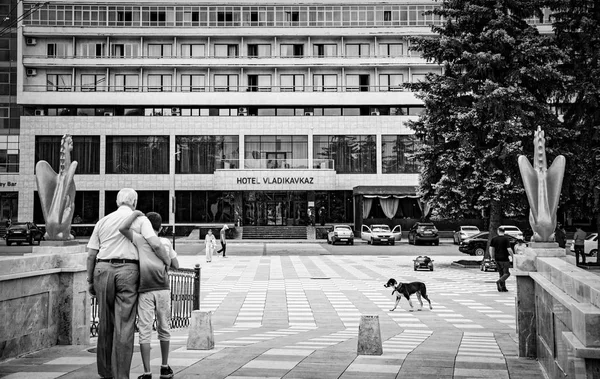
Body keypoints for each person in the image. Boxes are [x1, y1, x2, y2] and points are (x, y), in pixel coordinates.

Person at [86, 188, 166, 379]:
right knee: (125, 324)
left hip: (102, 270)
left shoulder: (103, 221)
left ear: (117, 202)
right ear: (135, 202)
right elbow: (155, 244)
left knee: (105, 322)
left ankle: (105, 372)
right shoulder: (140, 219)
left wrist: (90, 281)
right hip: (128, 272)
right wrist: (166, 260)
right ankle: (121, 375)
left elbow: (91, 255)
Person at [119, 211, 178, 379]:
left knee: (145, 330)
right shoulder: (165, 242)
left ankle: (147, 372)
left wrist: (136, 213)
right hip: (163, 289)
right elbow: (176, 264)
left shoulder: (139, 239)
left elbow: (122, 228)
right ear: (161, 227)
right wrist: (165, 260)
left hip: (145, 289)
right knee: (164, 327)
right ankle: (165, 367)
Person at [490, 226, 515, 292]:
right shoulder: (506, 239)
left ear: (498, 231)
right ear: (504, 231)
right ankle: (499, 282)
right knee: (507, 273)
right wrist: (513, 256)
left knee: (501, 274)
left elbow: (491, 249)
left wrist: (492, 257)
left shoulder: (494, 239)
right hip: (504, 259)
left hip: (497, 258)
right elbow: (509, 249)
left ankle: (503, 287)